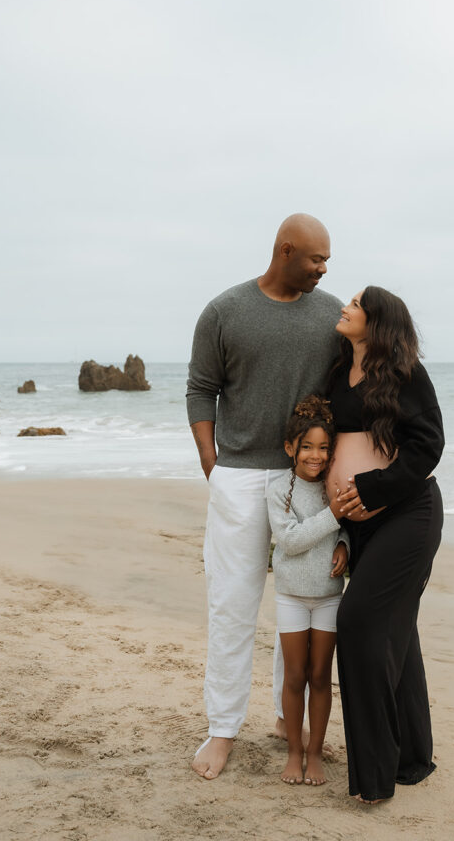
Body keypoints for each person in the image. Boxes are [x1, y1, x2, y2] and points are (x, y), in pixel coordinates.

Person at [186, 214, 342, 780]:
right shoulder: (225, 311)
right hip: (242, 477)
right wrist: (213, 462)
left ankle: (286, 717)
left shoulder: (332, 315)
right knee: (232, 606)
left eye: (327, 260)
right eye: (316, 259)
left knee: (300, 605)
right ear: (285, 250)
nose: (325, 269)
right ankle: (222, 730)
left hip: (308, 477)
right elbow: (201, 389)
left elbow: (355, 390)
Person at [326, 286, 445, 804]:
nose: (346, 306)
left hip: (407, 514)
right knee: (399, 631)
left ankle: (373, 778)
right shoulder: (336, 374)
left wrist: (373, 491)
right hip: (361, 526)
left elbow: (429, 444)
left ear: (378, 323)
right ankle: (411, 758)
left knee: (357, 622)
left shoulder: (404, 374)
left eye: (358, 303)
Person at [266, 396, 349, 787]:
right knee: (295, 676)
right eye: (307, 447)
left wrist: (345, 542)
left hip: (330, 594)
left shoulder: (333, 485)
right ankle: (294, 752)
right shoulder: (279, 489)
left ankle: (315, 753)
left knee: (320, 676)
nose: (316, 455)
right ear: (290, 448)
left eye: (323, 447)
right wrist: (332, 516)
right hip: (292, 595)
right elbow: (290, 541)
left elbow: (349, 525)